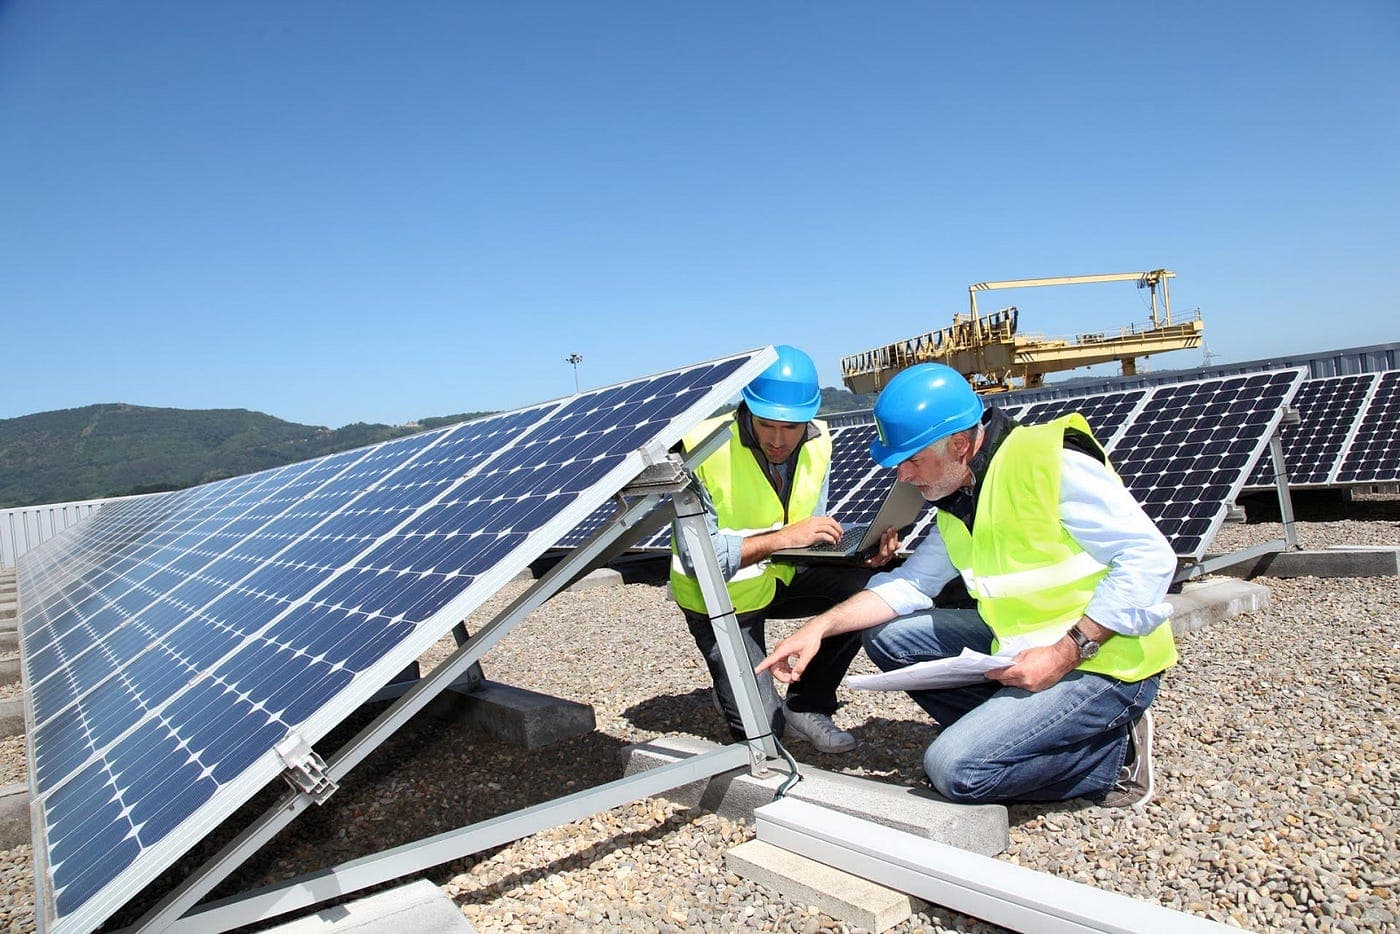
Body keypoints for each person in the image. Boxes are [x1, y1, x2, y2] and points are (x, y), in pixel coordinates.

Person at [757, 363, 1177, 806]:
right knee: (887, 635)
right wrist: (818, 629)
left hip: (1105, 661)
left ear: (959, 444)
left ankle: (1112, 759)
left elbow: (1149, 559)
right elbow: (911, 585)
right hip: (1022, 644)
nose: (903, 477)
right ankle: (1015, 733)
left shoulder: (1051, 462)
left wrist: (1062, 654)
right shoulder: (959, 498)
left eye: (913, 460)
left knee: (955, 771)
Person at [671, 345, 897, 754]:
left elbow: (811, 534)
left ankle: (807, 705)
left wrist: (861, 553)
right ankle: (756, 705)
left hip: (780, 575)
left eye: (791, 427)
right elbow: (699, 558)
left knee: (868, 587)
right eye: (766, 424)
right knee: (763, 738)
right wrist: (782, 539)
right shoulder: (701, 447)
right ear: (747, 408)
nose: (779, 440)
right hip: (720, 596)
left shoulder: (819, 441)